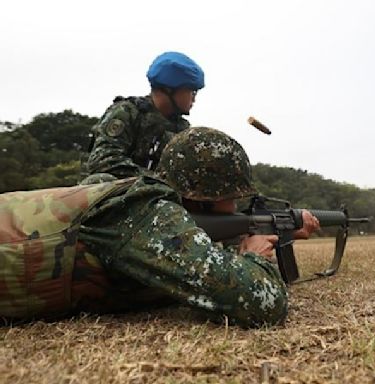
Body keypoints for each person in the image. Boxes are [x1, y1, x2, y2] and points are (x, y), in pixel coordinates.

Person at [0, 127, 319, 328]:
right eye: (233, 198)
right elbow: (263, 304)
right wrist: (257, 257)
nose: (236, 208)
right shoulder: (148, 214)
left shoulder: (122, 196)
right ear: (206, 196)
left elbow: (193, 262)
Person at [84, 51, 204, 179]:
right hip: (116, 193)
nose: (194, 99)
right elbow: (103, 163)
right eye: (192, 92)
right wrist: (158, 181)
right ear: (170, 90)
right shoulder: (127, 113)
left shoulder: (182, 129)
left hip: (158, 196)